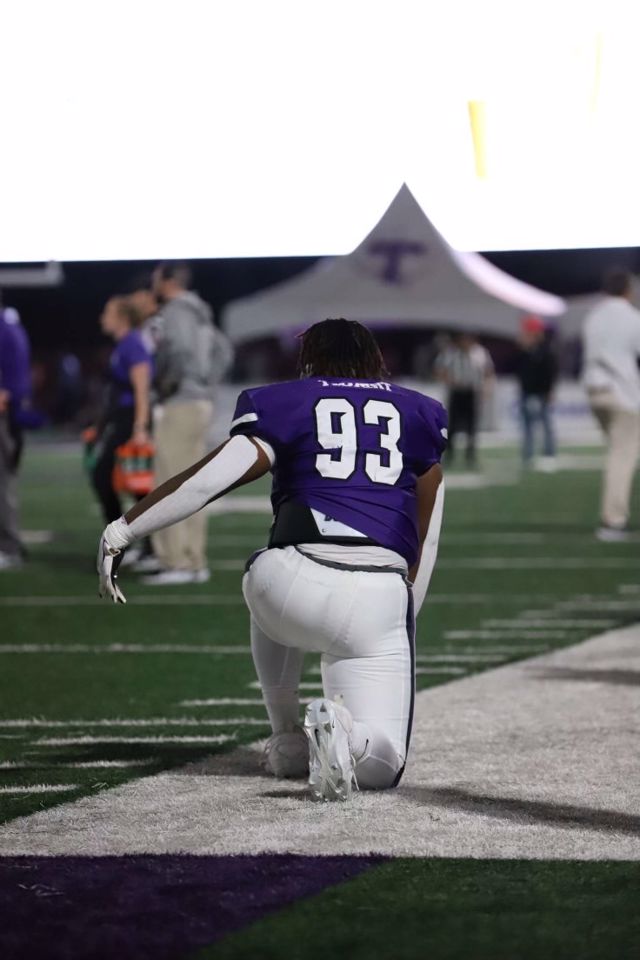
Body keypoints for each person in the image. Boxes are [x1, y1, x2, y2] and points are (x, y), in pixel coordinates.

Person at [97, 318, 446, 802]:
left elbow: (207, 482)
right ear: (374, 359)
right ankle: (345, 734)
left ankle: (286, 736)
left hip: (288, 583)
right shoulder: (420, 412)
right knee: (381, 767)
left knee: (270, 562)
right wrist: (402, 615)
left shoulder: (284, 402)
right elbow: (427, 536)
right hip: (379, 594)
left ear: (310, 359)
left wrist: (122, 530)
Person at [144, 261, 234, 585]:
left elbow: (178, 350)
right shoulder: (200, 311)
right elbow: (224, 351)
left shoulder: (175, 312)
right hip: (199, 402)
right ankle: (193, 560)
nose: (153, 283)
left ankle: (177, 562)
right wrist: (206, 384)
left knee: (169, 483)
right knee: (192, 484)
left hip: (181, 402)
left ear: (168, 281)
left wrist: (168, 382)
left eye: (156, 278)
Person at [582, 269, 640, 541]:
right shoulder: (631, 317)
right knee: (623, 456)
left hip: (595, 390)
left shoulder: (593, 316)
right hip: (622, 392)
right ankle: (613, 521)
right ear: (628, 290)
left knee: (620, 452)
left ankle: (614, 517)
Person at [90, 297, 152, 527]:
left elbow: (142, 388)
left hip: (131, 416)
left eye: (107, 313)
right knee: (130, 481)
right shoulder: (123, 344)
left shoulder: (132, 344)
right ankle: (137, 536)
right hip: (121, 415)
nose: (102, 318)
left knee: (110, 476)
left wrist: (140, 426)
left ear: (122, 318)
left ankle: (123, 534)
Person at [0, 300, 32, 569]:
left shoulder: (6, 329)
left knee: (3, 481)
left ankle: (9, 547)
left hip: (5, 417)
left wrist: (8, 398)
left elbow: (17, 381)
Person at [434, 332, 494, 467]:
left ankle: (470, 456)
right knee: (452, 425)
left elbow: (488, 371)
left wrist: (486, 387)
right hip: (456, 392)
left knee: (472, 426)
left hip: (472, 392)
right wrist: (449, 381)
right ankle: (450, 455)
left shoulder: (480, 353)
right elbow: (439, 369)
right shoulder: (451, 353)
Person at [515, 315, 558, 470]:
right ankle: (528, 455)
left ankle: (549, 453)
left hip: (541, 393)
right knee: (527, 426)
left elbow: (550, 371)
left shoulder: (545, 350)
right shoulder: (524, 351)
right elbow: (519, 370)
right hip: (527, 392)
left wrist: (550, 390)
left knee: (546, 424)